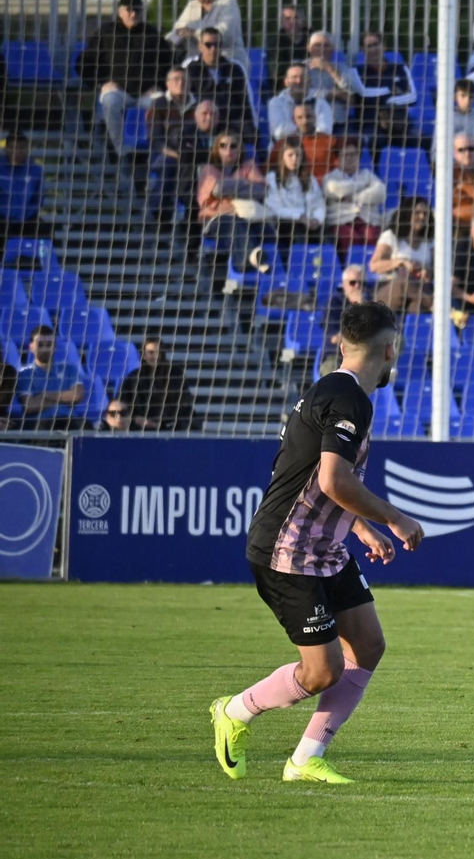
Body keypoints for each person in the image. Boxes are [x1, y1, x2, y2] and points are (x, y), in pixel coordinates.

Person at [211, 302, 424, 786]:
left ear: (342, 345)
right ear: (390, 350)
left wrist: (359, 528)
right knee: (322, 672)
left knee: (368, 645)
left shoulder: (334, 390)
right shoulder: (349, 399)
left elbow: (312, 474)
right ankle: (234, 711)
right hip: (288, 552)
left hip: (324, 547)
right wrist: (393, 517)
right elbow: (332, 479)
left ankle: (306, 758)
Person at [83, 0, 172, 160]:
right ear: (120, 11)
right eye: (129, 9)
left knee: (162, 102)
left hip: (147, 93)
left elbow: (168, 64)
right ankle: (122, 151)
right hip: (118, 92)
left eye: (137, 10)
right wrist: (100, 84)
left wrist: (159, 85)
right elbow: (85, 63)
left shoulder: (152, 34)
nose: (133, 14)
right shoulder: (106, 33)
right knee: (110, 101)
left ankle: (157, 152)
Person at [197, 130, 274, 273]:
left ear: (240, 150)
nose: (228, 150)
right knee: (233, 223)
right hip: (216, 219)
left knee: (266, 230)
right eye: (223, 146)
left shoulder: (249, 165)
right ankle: (244, 264)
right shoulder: (208, 170)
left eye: (233, 146)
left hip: (247, 217)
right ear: (216, 149)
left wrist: (229, 188)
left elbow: (261, 190)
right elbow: (218, 189)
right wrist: (246, 183)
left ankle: (267, 268)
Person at [147, 94, 214, 225]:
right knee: (172, 165)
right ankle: (158, 213)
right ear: (196, 116)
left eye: (213, 114)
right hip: (180, 170)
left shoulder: (223, 135)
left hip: (208, 176)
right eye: (204, 114)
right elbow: (184, 154)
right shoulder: (183, 132)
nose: (209, 117)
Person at [182, 27, 256, 143]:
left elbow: (245, 102)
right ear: (200, 46)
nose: (213, 49)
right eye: (208, 45)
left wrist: (250, 124)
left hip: (230, 119)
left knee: (250, 132)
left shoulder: (234, 69)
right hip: (203, 119)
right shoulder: (191, 69)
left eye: (217, 45)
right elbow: (186, 101)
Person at [347, 32, 417, 149]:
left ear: (384, 46)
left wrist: (388, 101)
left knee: (423, 141)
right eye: (369, 46)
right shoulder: (356, 72)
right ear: (363, 50)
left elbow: (413, 97)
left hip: (398, 124)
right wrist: (392, 91)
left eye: (376, 44)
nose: (374, 49)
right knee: (376, 140)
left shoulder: (401, 69)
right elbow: (364, 92)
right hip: (370, 125)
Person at [167, 0, 244, 62]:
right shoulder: (192, 5)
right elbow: (178, 28)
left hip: (228, 59)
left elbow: (226, 34)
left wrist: (195, 33)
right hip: (199, 62)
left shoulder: (227, 3)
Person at [14, 325, 86, 431]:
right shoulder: (24, 374)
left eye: (49, 344)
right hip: (41, 422)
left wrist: (44, 395)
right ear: (31, 347)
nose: (45, 349)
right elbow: (30, 406)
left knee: (87, 428)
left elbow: (77, 396)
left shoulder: (70, 369)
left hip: (70, 420)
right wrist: (65, 399)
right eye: (40, 345)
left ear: (54, 346)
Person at [369, 196, 435, 311]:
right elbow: (374, 266)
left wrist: (426, 271)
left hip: (419, 288)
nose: (422, 217)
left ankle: (427, 307)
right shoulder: (391, 236)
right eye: (417, 213)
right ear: (407, 214)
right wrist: (401, 262)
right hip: (390, 288)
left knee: (417, 307)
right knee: (403, 282)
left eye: (425, 214)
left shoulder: (429, 241)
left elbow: (435, 270)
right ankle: (434, 304)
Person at [119, 335, 197, 431]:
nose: (155, 356)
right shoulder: (134, 377)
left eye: (158, 352)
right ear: (144, 355)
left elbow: (185, 401)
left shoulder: (176, 374)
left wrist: (168, 421)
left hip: (171, 426)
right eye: (151, 352)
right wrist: (136, 418)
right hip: (142, 427)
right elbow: (124, 402)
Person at [322, 141, 386, 257]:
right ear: (338, 158)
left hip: (367, 219)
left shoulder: (367, 174)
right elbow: (334, 189)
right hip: (341, 220)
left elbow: (381, 192)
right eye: (346, 155)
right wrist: (363, 185)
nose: (350, 158)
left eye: (354, 154)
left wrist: (355, 197)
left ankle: (370, 267)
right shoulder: (330, 177)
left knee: (371, 235)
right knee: (350, 237)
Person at [265, 137, 327, 247]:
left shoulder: (310, 179)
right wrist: (299, 216)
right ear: (282, 156)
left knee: (327, 237)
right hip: (286, 223)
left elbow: (319, 203)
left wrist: (317, 219)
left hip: (309, 222)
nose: (294, 159)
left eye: (298, 155)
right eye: (290, 155)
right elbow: (274, 208)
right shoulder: (272, 178)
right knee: (298, 234)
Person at [301, 31, 363, 132]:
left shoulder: (342, 68)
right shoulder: (301, 69)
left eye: (326, 46)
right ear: (309, 48)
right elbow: (300, 94)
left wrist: (330, 69)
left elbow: (353, 93)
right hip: (311, 123)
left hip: (339, 122)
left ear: (332, 50)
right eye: (317, 45)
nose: (322, 49)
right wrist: (331, 94)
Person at [271, 102, 340, 181]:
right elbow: (271, 170)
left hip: (326, 185)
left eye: (308, 116)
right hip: (295, 186)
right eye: (299, 118)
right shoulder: (283, 144)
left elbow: (339, 168)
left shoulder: (330, 141)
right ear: (293, 120)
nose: (305, 121)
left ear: (315, 118)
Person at [266, 63, 334, 142]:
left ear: (310, 81)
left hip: (315, 146)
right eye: (294, 77)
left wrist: (295, 132)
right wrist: (309, 131)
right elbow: (279, 132)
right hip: (285, 147)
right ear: (286, 82)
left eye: (303, 77)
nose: (299, 81)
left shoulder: (321, 103)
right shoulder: (276, 103)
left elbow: (325, 131)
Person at [0, 135, 46, 241]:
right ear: (5, 149)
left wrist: (28, 214)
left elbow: (39, 198)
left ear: (27, 150)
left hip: (26, 219)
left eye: (21, 148)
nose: (16, 152)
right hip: (2, 219)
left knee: (44, 229)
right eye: (12, 147)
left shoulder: (35, 170)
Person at [270, 3, 308, 78]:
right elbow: (276, 72)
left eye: (296, 18)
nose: (293, 22)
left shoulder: (313, 39)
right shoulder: (276, 42)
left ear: (303, 20)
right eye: (288, 19)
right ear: (282, 22)